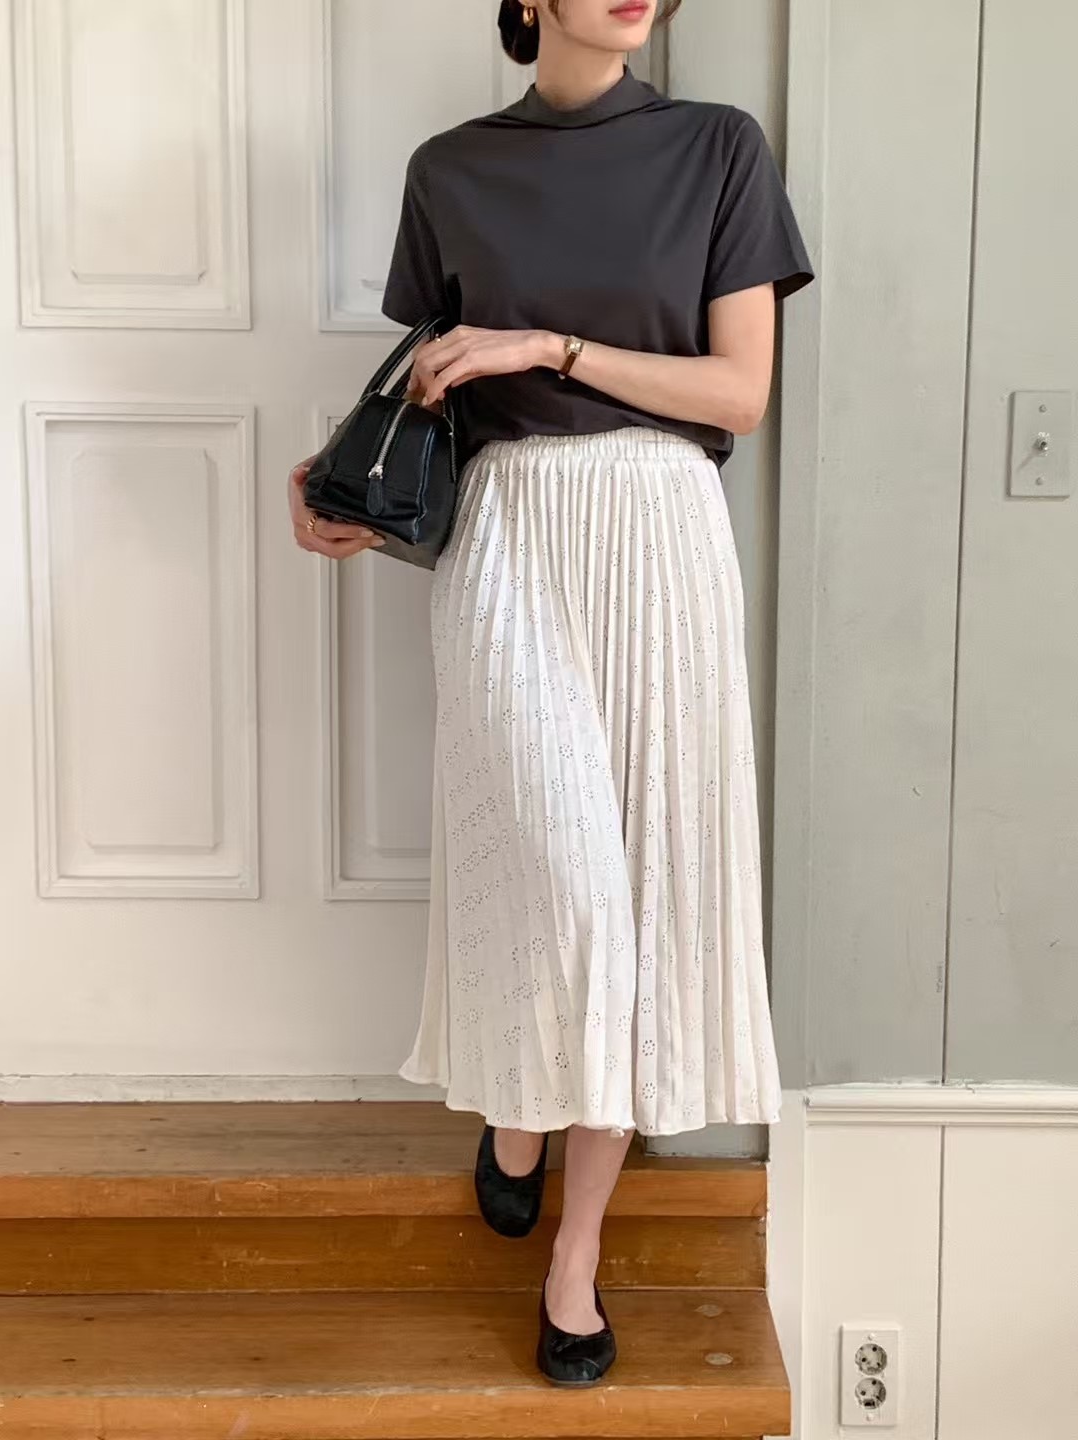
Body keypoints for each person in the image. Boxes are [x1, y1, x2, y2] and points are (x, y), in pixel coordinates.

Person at [289, 0, 813, 1387]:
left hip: (662, 538)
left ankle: (574, 1254)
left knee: (640, 895)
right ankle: (517, 1111)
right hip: (511, 540)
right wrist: (338, 476)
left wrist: (549, 348)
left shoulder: (717, 148)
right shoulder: (450, 169)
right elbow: (431, 385)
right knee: (563, 879)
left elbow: (739, 394)